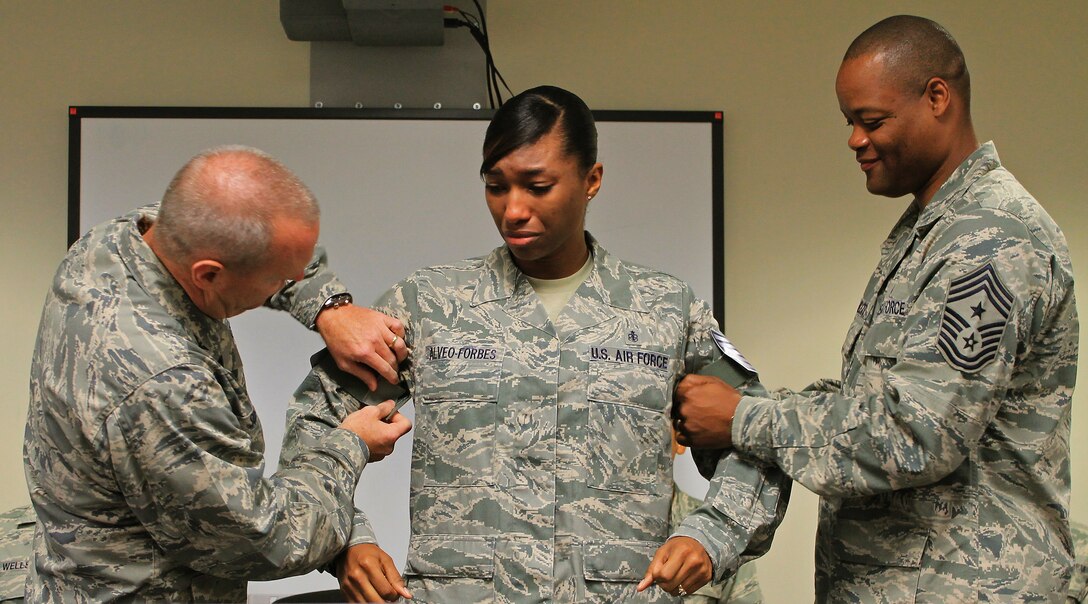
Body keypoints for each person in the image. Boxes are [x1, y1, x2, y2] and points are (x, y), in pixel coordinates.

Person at [280, 85, 789, 602]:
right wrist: (346, 541)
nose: (513, 210)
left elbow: (758, 439)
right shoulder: (430, 304)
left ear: (592, 180)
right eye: (496, 186)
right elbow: (315, 421)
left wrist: (709, 534)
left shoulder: (665, 311)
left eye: (537, 185)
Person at [673, 15, 1079, 601]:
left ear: (937, 97)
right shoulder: (931, 230)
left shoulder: (988, 239)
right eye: (849, 123)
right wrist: (754, 408)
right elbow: (872, 403)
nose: (855, 140)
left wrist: (743, 418)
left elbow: (914, 434)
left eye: (872, 121)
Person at [22, 146, 414, 602]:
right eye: (278, 280)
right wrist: (350, 446)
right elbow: (263, 539)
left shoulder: (117, 242)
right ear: (208, 275)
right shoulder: (163, 381)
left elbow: (234, 236)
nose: (287, 284)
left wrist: (329, 309)